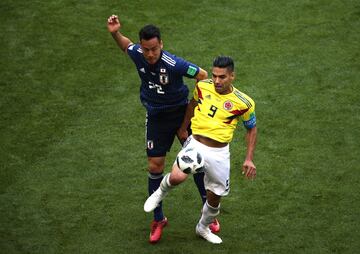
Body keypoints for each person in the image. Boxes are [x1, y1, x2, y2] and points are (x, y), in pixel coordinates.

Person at [107, 15, 220, 243]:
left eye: (154, 49)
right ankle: (158, 219)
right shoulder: (138, 54)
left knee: (197, 164)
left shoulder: (173, 64)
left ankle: (207, 215)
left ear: (161, 45)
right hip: (157, 117)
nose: (150, 54)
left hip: (181, 114)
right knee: (155, 165)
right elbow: (126, 46)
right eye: (146, 49)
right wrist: (114, 33)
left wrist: (194, 106)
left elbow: (202, 75)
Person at [144, 56, 257, 244]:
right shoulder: (203, 86)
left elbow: (251, 128)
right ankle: (159, 193)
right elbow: (192, 105)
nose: (217, 81)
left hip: (219, 153)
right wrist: (182, 127)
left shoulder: (243, 102)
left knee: (214, 199)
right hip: (195, 143)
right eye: (214, 76)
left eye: (222, 77)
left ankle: (202, 228)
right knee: (178, 176)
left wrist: (249, 158)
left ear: (232, 76)